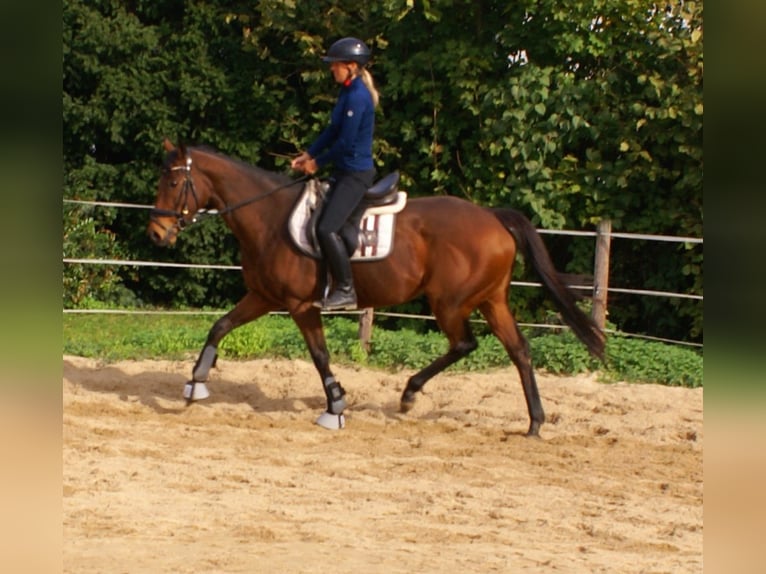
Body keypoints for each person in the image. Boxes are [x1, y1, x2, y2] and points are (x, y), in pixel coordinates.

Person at [291, 37, 379, 311]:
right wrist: (310, 153)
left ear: (351, 66)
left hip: (356, 174)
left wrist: (318, 163)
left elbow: (346, 144)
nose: (332, 69)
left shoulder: (358, 97)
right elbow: (332, 131)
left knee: (326, 227)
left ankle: (345, 289)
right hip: (344, 171)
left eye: (335, 65)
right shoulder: (346, 92)